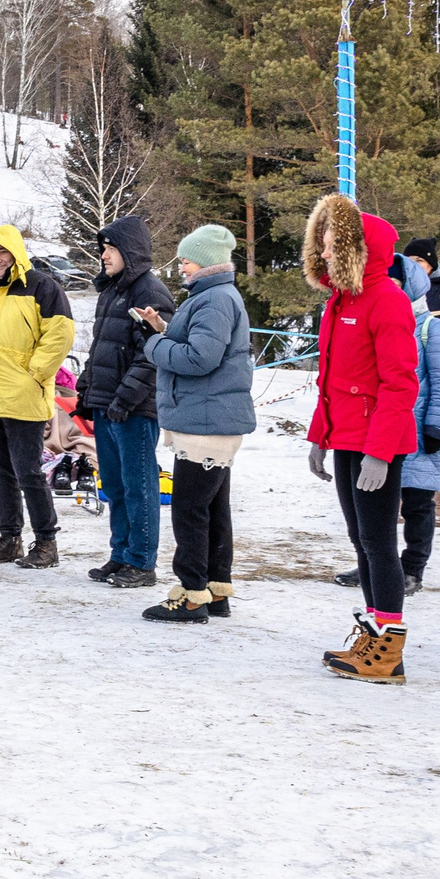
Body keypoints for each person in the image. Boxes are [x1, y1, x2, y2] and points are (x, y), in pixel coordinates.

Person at [301, 193, 418, 683]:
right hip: (347, 437)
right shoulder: (341, 301)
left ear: (356, 250)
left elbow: (400, 381)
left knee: (378, 541)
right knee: (361, 540)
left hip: (373, 442)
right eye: (322, 245)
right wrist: (319, 437)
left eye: (331, 246)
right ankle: (374, 632)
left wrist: (381, 451)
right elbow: (330, 381)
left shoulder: (386, 300)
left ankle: (389, 649)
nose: (324, 253)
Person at [136, 225, 252, 624]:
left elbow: (201, 358)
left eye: (186, 259)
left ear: (204, 261)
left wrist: (153, 345)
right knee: (212, 507)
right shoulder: (213, 297)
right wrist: (164, 331)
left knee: (189, 508)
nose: (181, 265)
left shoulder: (214, 300)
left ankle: (191, 594)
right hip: (210, 417)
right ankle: (214, 589)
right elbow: (199, 347)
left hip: (207, 419)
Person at [0, 225, 75, 569]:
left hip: (23, 395)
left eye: (2, 252)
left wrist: (34, 373)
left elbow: (60, 333)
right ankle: (9, 539)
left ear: (15, 253)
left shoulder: (41, 286)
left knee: (28, 472)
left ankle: (46, 542)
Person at [337, 248, 440, 592]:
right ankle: (375, 563)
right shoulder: (376, 319)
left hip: (421, 433)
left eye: (393, 280)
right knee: (379, 509)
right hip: (381, 432)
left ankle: (412, 568)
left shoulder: (432, 329)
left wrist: (437, 425)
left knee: (419, 505)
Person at [79, 219, 172, 589]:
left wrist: (125, 399)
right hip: (107, 405)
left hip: (134, 409)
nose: (103, 255)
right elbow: (101, 347)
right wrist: (87, 390)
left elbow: (150, 355)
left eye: (111, 249)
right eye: (103, 248)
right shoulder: (112, 291)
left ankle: (142, 562)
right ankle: (120, 554)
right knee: (114, 486)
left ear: (129, 252)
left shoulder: (150, 291)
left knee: (140, 486)